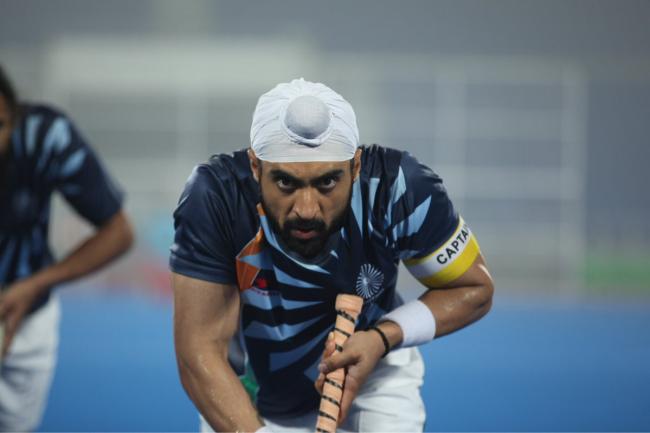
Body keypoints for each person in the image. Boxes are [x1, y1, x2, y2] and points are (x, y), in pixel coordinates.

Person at [170, 78, 494, 433]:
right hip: (246, 393)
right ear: (255, 167)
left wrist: (381, 338)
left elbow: (474, 289)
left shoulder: (398, 188)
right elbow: (199, 352)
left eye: (327, 182)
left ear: (355, 167)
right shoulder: (216, 197)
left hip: (374, 378)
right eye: (286, 182)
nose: (307, 209)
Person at [0, 65, 134, 432]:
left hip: (27, 322)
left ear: (13, 115)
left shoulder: (46, 136)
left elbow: (119, 233)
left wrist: (35, 284)